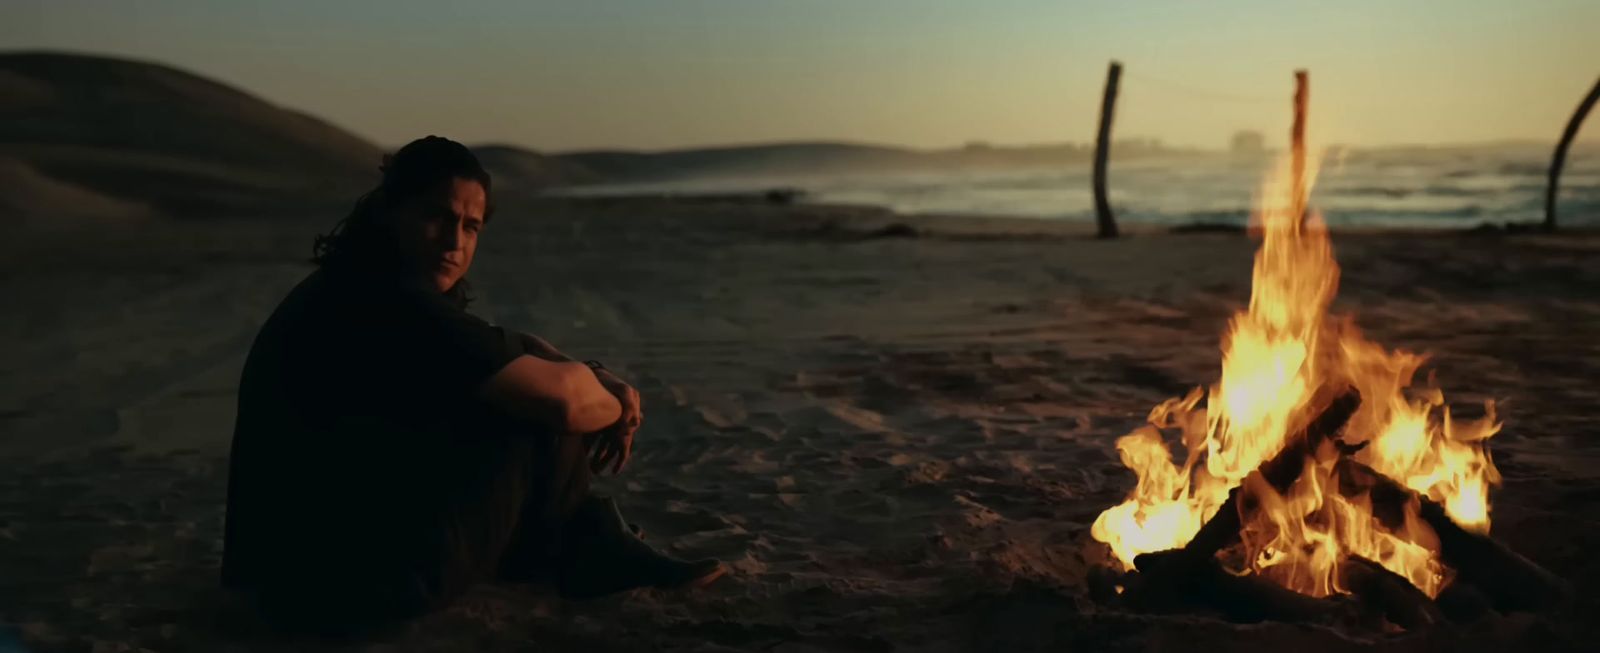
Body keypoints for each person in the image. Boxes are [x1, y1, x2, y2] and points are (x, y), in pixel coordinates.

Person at [221, 135, 723, 630]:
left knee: (511, 389)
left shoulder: (355, 285)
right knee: (533, 410)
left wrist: (587, 373)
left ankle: (586, 541)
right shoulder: (396, 306)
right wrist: (619, 405)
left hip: (283, 571)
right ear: (390, 212)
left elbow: (505, 346)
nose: (454, 241)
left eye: (471, 226)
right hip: (338, 586)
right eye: (436, 216)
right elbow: (565, 404)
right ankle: (590, 548)